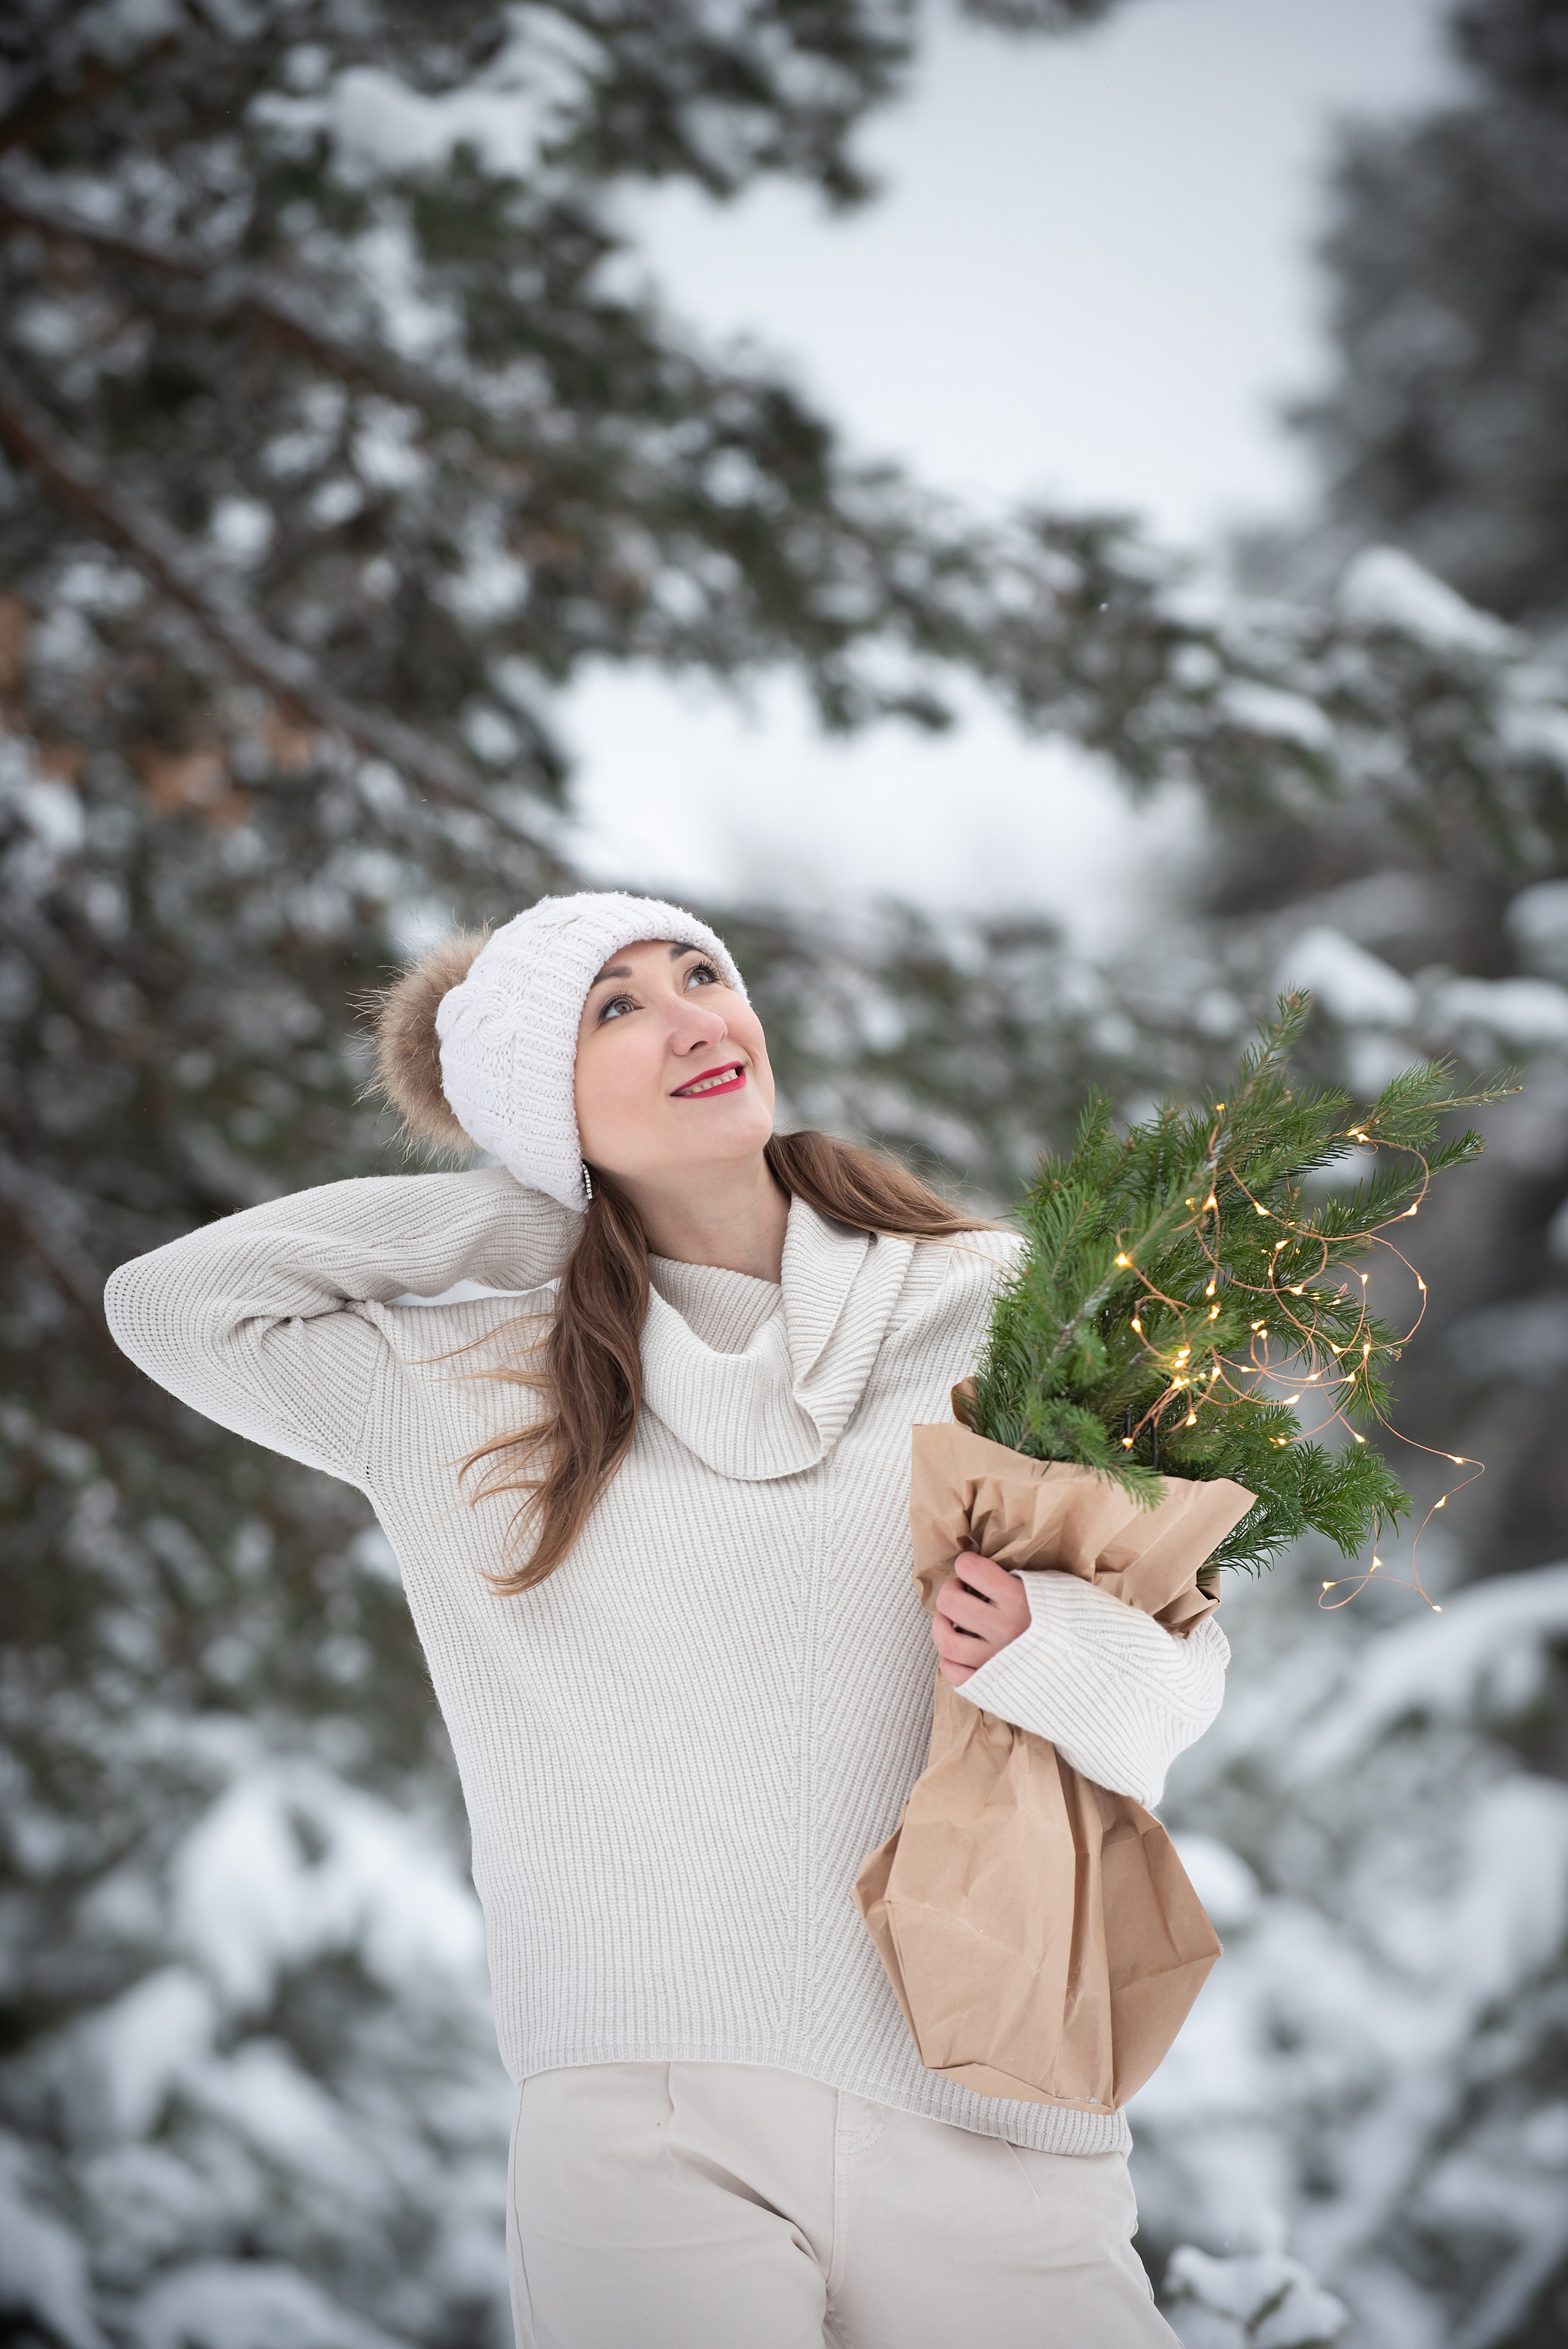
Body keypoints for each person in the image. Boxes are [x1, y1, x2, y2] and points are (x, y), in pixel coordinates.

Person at [105, 890, 1229, 2349]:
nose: (693, 1013)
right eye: (612, 1008)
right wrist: (541, 1206)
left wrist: (1047, 1646)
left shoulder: (999, 1311)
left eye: (700, 973)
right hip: (641, 2118)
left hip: (987, 2098)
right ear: (530, 1105)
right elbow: (170, 1308)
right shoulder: (461, 1380)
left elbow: (1178, 1695)